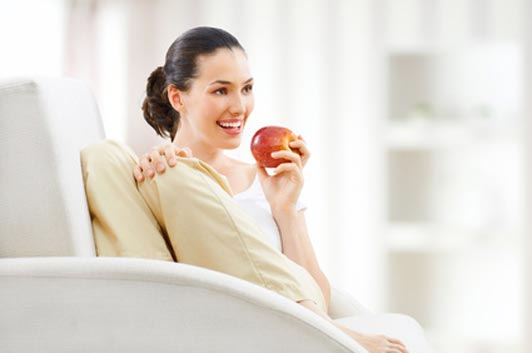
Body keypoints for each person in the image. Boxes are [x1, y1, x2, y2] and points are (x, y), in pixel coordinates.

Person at [134, 26, 434, 353]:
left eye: (247, 89)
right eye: (221, 91)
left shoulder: (263, 181)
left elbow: (316, 294)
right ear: (177, 97)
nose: (239, 107)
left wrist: (286, 210)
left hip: (289, 333)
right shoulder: (157, 175)